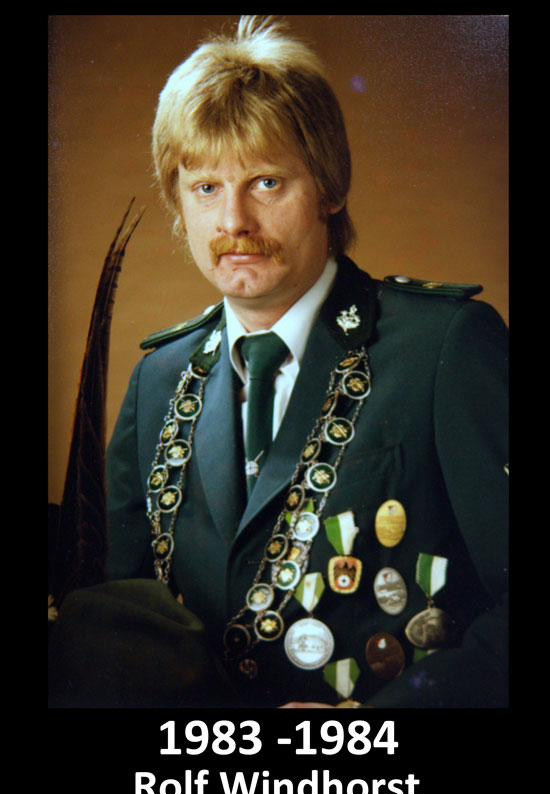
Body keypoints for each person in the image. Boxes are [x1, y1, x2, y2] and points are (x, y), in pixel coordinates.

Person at [105, 15, 508, 708]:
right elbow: (113, 621)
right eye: (205, 187)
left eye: (265, 182)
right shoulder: (158, 381)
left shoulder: (444, 347)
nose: (233, 220)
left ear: (329, 187)